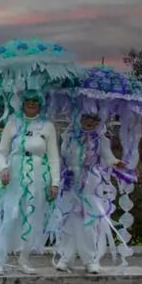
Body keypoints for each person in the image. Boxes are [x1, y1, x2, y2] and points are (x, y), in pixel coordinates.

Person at [0, 90, 60, 275]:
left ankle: (24, 258)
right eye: (28, 101)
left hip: (38, 174)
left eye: (35, 101)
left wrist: (55, 182)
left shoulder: (47, 126)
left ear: (40, 104)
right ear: (23, 104)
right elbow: (2, 151)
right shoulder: (13, 123)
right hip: (15, 173)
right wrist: (4, 168)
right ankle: (0, 259)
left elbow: (53, 157)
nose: (31, 104)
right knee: (11, 215)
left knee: (32, 215)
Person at [54, 112, 129, 274]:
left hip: (90, 183)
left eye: (95, 120)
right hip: (70, 182)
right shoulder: (68, 137)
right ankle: (65, 257)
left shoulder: (101, 140)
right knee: (68, 220)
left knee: (89, 221)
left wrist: (116, 162)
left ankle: (90, 259)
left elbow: (108, 157)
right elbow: (62, 157)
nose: (91, 123)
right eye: (87, 118)